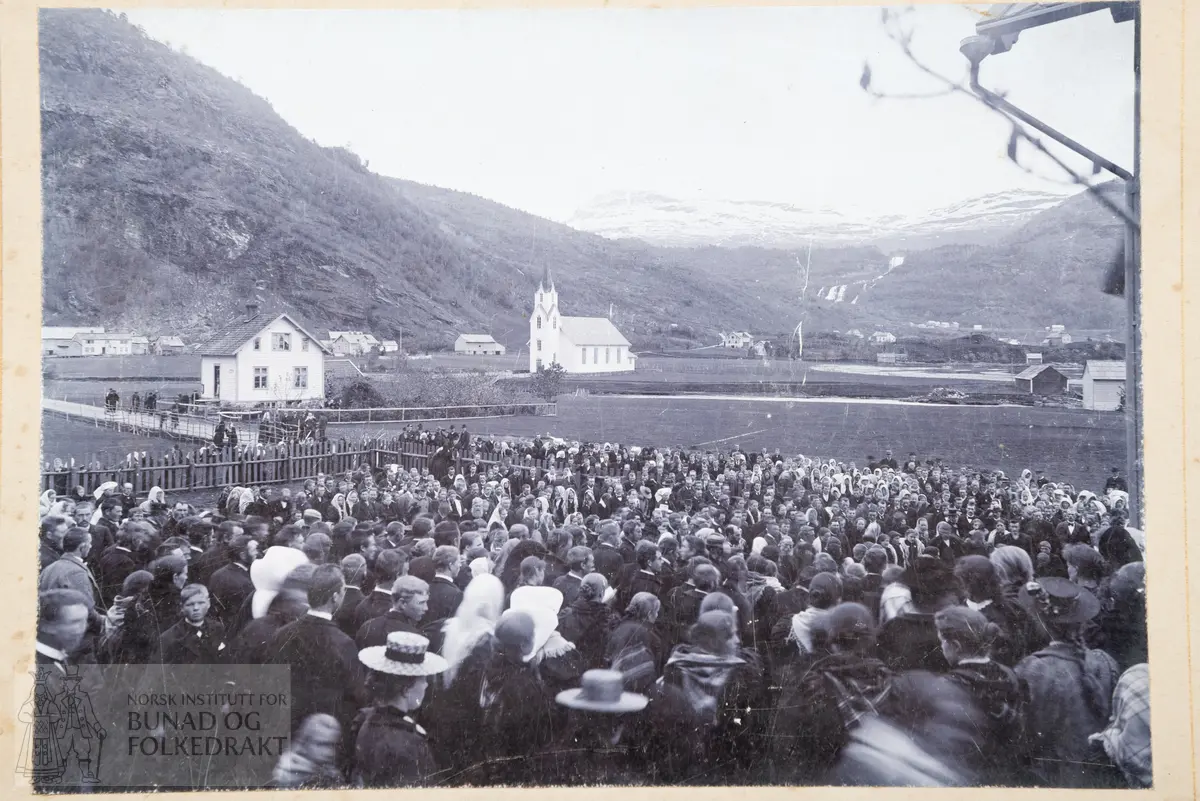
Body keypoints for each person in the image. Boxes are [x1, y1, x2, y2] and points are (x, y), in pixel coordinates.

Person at [1015, 577, 1123, 788]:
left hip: (1054, 779)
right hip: (1100, 778)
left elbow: (1024, 738)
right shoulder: (1105, 661)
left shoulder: (1031, 669)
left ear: (1041, 621)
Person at [351, 632, 448, 787]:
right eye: (422, 679)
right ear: (406, 689)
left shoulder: (366, 718)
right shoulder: (410, 745)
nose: (426, 685)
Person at [271, 714, 345, 788]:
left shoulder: (330, 773)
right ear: (305, 742)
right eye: (321, 744)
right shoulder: (287, 776)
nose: (329, 752)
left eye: (332, 745)